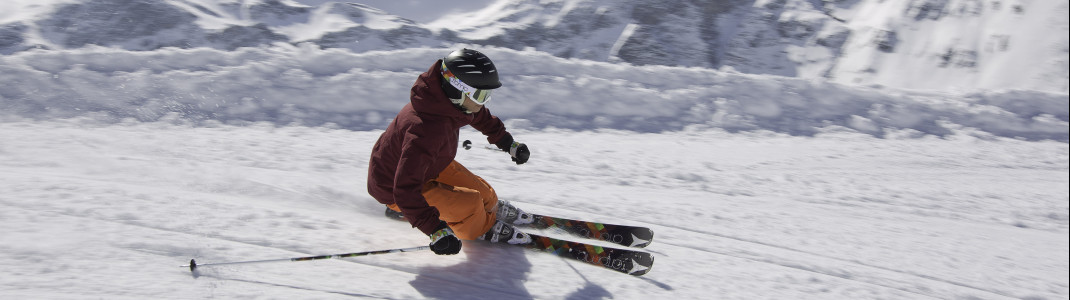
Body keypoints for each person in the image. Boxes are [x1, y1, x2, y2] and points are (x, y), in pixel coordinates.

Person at [367, 48, 534, 256]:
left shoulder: (451, 103)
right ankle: (483, 227)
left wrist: (509, 144)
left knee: (486, 195)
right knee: (471, 205)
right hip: (394, 187)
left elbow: (481, 117)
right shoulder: (425, 129)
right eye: (481, 95)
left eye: (487, 95)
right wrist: (436, 231)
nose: (485, 101)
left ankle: (486, 211)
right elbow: (404, 190)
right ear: (457, 88)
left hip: (429, 166)